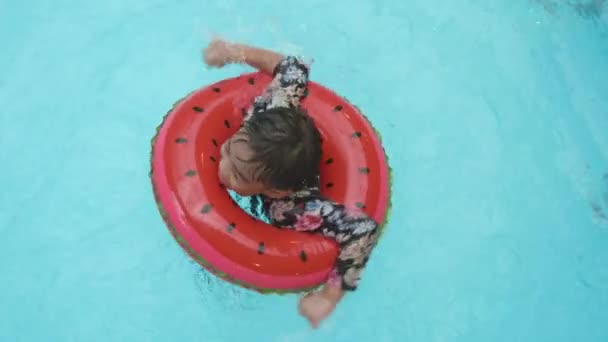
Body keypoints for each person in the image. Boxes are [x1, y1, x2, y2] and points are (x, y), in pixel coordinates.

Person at [203, 38, 379, 328]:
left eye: (237, 175)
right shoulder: (269, 109)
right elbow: (293, 68)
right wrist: (235, 52)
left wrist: (330, 296)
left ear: (273, 191)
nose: (221, 168)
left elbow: (363, 231)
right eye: (229, 149)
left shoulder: (293, 208)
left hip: (298, 186)